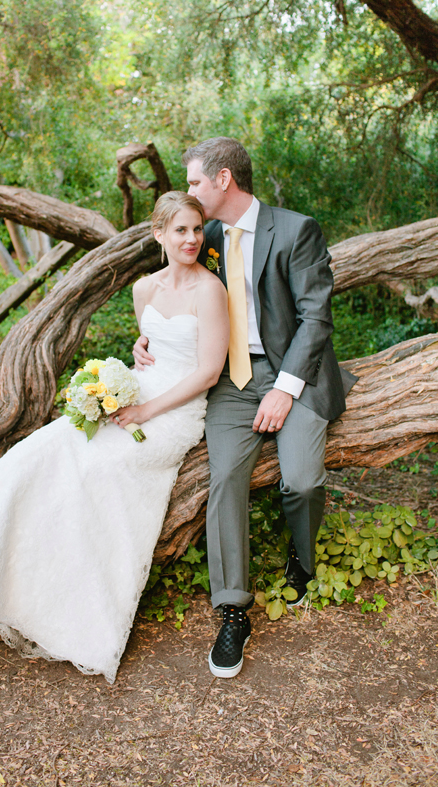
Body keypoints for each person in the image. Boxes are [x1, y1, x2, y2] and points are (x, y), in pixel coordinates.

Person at [0, 191, 229, 684]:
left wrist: (145, 408)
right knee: (43, 447)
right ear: (158, 235)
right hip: (135, 395)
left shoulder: (209, 290)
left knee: (97, 467)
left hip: (173, 414)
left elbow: (209, 369)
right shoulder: (143, 289)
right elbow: (150, 345)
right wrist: (129, 363)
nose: (191, 239)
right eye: (180, 230)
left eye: (197, 229)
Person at [133, 138, 356, 679]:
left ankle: (301, 557)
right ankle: (233, 609)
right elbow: (173, 298)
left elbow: (316, 319)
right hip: (228, 382)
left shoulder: (295, 229)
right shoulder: (199, 235)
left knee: (301, 481)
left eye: (193, 181)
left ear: (224, 180)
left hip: (291, 375)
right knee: (224, 480)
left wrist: (286, 388)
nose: (188, 191)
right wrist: (145, 343)